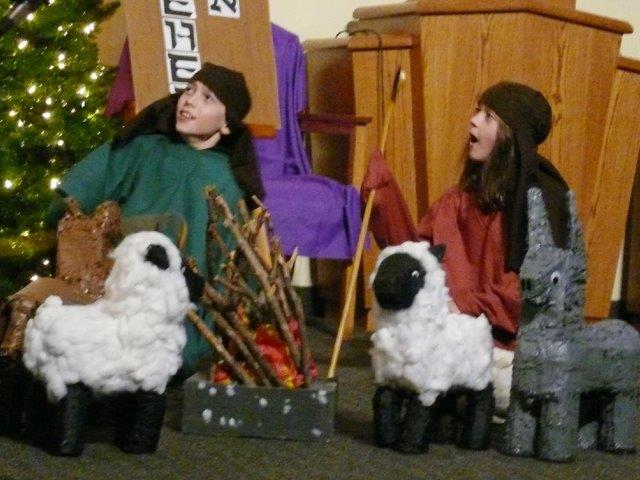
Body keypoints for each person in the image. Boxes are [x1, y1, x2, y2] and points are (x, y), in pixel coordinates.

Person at [46, 62, 264, 375]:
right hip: (113, 284)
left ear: (226, 124)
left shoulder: (227, 182)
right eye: (189, 90)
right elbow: (80, 191)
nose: (189, 101)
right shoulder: (143, 148)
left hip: (179, 310)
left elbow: (227, 266)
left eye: (207, 98)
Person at [416, 82, 571, 416]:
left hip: (510, 350)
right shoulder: (460, 199)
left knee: (497, 387)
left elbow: (531, 290)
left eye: (487, 116)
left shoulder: (541, 202)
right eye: (477, 111)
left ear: (511, 136)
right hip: (457, 337)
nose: (473, 121)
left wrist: (465, 306)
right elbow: (420, 254)